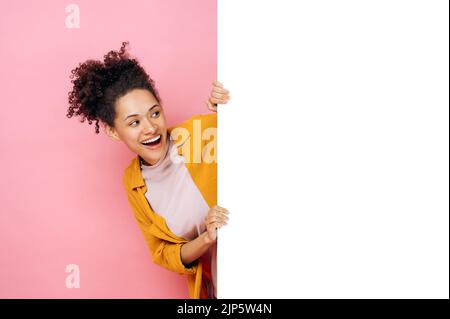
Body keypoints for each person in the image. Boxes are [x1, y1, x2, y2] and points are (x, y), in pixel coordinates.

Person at [66, 42, 230, 299]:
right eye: (134, 122)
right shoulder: (134, 183)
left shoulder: (200, 134)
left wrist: (229, 110)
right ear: (112, 131)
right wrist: (206, 239)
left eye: (154, 113)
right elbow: (164, 253)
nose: (151, 127)